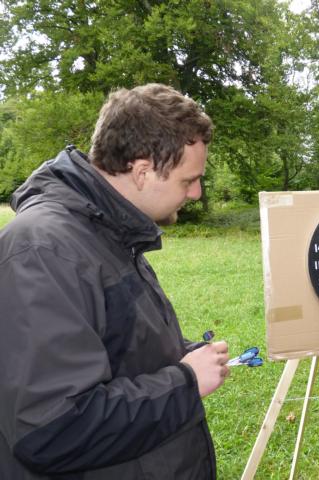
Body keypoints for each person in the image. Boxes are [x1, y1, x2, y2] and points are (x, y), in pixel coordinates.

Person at [0, 84, 230, 479]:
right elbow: (52, 430)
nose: (196, 193)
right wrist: (185, 382)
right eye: (188, 180)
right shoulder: (42, 250)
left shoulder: (108, 231)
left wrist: (180, 353)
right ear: (142, 171)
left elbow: (113, 345)